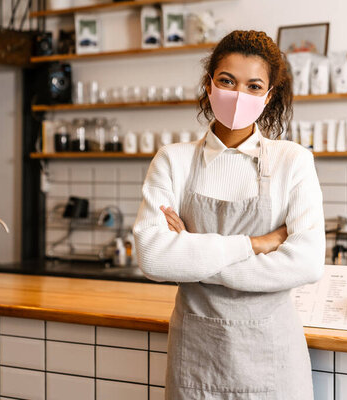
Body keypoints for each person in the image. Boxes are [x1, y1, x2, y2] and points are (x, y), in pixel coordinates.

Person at [133, 30, 325, 399]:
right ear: (209, 86)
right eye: (227, 81)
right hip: (197, 357)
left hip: (272, 356)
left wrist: (191, 252)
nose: (239, 95)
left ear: (268, 97)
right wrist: (258, 243)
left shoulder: (293, 161)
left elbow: (306, 263)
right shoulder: (173, 160)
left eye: (254, 86)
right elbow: (153, 258)